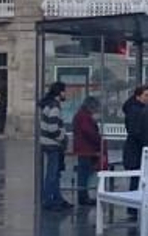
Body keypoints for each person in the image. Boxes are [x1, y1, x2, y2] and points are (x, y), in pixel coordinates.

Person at [37, 81, 70, 210]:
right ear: (60, 93)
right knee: (52, 174)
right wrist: (62, 137)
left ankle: (57, 198)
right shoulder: (55, 107)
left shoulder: (49, 105)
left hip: (47, 143)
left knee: (54, 173)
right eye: (64, 91)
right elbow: (52, 128)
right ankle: (48, 200)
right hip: (53, 144)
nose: (65, 94)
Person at [71, 96, 103, 207]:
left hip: (84, 148)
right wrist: (99, 140)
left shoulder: (81, 115)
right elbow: (89, 132)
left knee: (84, 172)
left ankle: (84, 196)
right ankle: (83, 197)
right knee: (84, 173)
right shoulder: (84, 117)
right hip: (86, 149)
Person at [122, 85, 148, 171]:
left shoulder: (138, 110)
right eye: (146, 95)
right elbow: (134, 131)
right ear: (138, 97)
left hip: (136, 152)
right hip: (135, 152)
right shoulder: (135, 111)